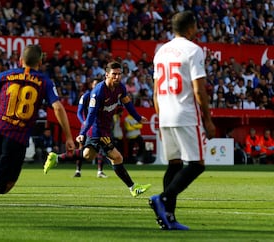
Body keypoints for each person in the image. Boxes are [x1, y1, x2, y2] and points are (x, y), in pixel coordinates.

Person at [0, 44, 75, 228]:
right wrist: (68, 137)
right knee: (5, 186)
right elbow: (58, 108)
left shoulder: (7, 75)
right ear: (41, 61)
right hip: (17, 136)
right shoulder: (44, 81)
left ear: (21, 60)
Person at [150, 11, 216, 230]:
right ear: (191, 28)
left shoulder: (160, 52)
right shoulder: (193, 50)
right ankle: (164, 199)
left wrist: (159, 118)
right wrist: (207, 119)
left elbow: (155, 92)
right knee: (197, 165)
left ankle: (167, 218)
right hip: (185, 113)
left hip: (165, 113)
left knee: (174, 164)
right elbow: (198, 89)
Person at [44, 61, 151, 197]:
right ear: (106, 75)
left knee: (88, 155)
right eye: (114, 74)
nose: (117, 77)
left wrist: (137, 117)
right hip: (97, 129)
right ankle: (133, 188)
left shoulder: (120, 88)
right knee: (117, 157)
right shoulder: (98, 92)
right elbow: (90, 115)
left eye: (119, 74)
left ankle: (56, 158)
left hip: (105, 127)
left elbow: (127, 104)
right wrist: (82, 133)